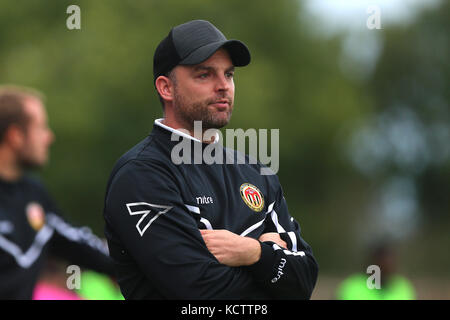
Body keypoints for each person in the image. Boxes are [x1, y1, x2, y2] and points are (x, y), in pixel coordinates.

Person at [103, 19, 318, 299]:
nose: (223, 86)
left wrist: (254, 253)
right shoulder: (141, 174)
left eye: (228, 74)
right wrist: (272, 264)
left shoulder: (256, 172)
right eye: (204, 75)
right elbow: (201, 291)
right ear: (166, 88)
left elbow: (305, 280)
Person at [0, 85, 116, 299]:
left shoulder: (34, 194)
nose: (49, 137)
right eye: (41, 128)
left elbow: (81, 245)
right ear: (15, 136)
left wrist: (148, 258)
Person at [336, 241, 416, 300]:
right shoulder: (352, 288)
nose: (387, 268)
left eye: (390, 265)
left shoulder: (404, 288)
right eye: (382, 266)